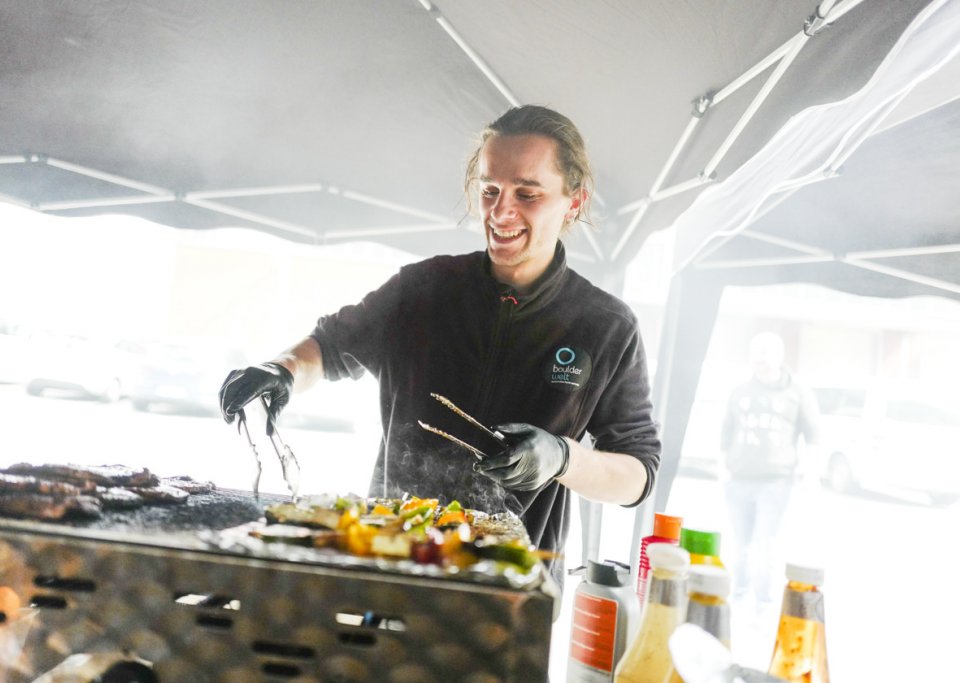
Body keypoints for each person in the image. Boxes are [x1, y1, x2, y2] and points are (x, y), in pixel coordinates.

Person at [218, 105, 661, 586]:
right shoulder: (424, 287)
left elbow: (637, 473)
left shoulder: (606, 325)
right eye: (489, 190)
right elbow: (331, 345)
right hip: (391, 563)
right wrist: (282, 369)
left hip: (510, 588)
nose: (500, 212)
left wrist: (563, 457)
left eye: (527, 194)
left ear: (573, 202)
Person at [720, 331, 819, 606]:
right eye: (756, 352)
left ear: (779, 356)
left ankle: (763, 601)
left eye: (765, 352)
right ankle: (738, 593)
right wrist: (723, 468)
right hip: (738, 480)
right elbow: (725, 433)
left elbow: (813, 436)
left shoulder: (797, 392)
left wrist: (807, 469)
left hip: (776, 483)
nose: (760, 358)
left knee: (766, 545)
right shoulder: (740, 391)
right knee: (740, 546)